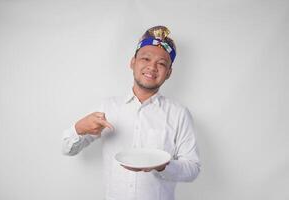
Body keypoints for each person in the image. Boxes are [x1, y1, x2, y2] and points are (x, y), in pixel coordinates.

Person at [62, 25, 201, 200]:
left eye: (161, 63)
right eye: (146, 59)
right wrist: (79, 129)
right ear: (132, 62)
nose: (152, 67)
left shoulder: (179, 114)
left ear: (169, 73)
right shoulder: (107, 108)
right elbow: (67, 149)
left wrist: (162, 166)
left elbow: (193, 169)